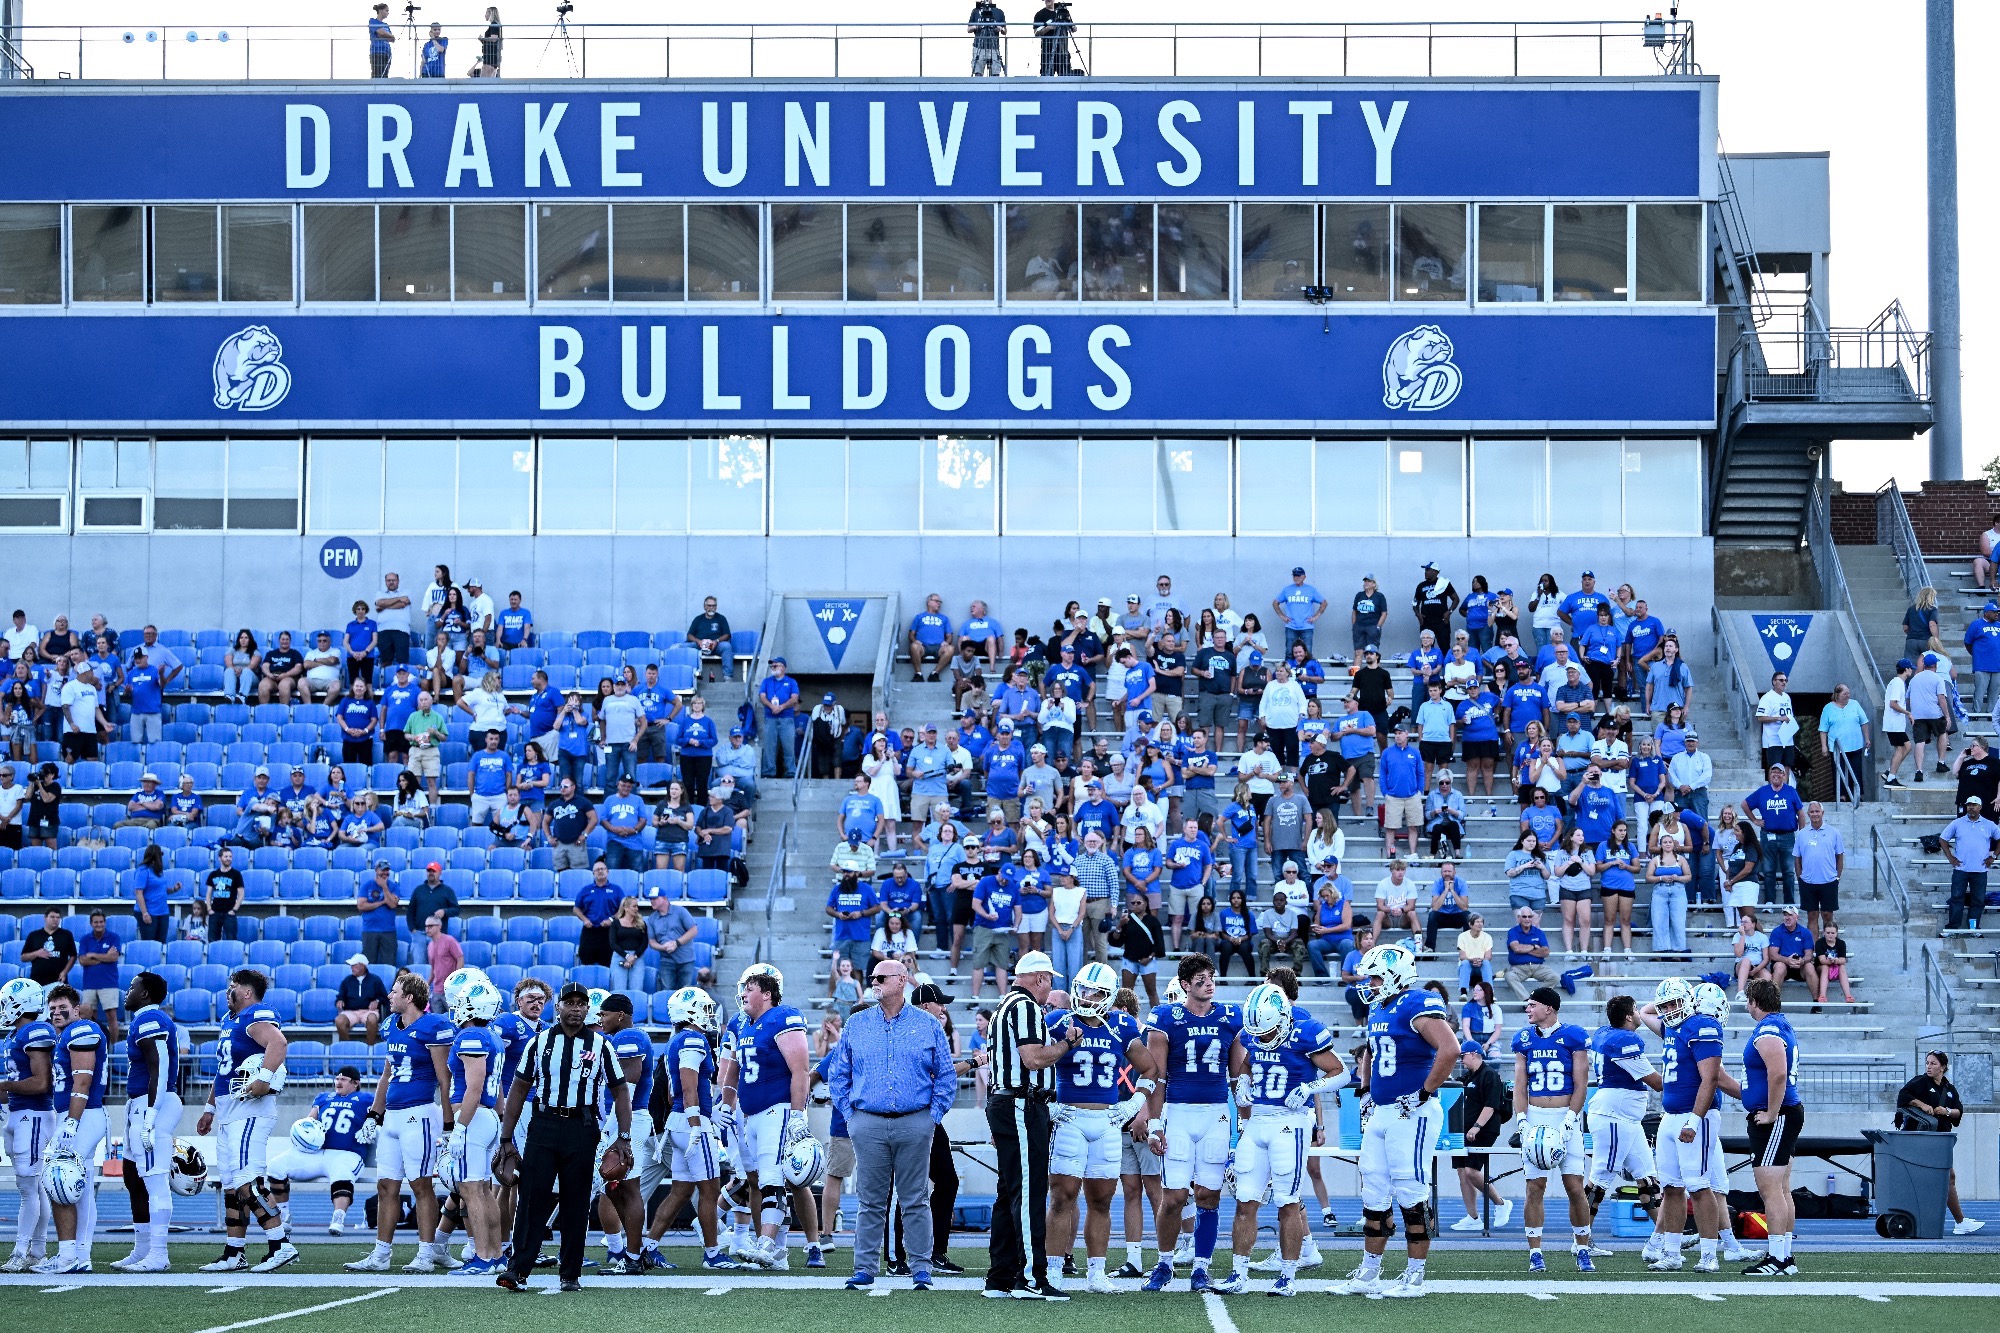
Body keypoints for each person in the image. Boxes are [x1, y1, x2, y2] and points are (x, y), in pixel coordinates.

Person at [1331, 943, 1459, 1298]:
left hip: (1412, 1111)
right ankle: (1369, 1272)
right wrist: (1367, 1091)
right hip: (1384, 1110)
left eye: (1374, 976)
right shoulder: (1378, 1007)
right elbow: (1372, 1050)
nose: (1369, 983)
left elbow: (1450, 1049)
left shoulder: (1417, 1003)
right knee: (1372, 1188)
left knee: (1411, 1191)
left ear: (1392, 974)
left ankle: (1416, 1275)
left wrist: (1424, 1092)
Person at [823, 960, 957, 1293]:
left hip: (915, 1121)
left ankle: (921, 1268)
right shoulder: (857, 1023)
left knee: (915, 1199)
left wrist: (932, 1118)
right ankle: (865, 1267)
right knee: (870, 1200)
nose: (874, 983)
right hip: (867, 1122)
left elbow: (946, 1075)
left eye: (881, 978)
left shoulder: (928, 1025)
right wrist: (852, 1117)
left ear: (902, 981)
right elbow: (838, 1074)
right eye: (872, 978)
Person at [1208, 982, 1350, 1296]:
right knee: (1245, 1200)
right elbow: (1246, 1060)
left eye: (1268, 1032)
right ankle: (1239, 1274)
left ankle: (1287, 1276)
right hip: (1257, 1121)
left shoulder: (1306, 1033)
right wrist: (1243, 1078)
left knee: (1287, 1202)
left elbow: (1342, 1073)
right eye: (1257, 1033)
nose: (1262, 1038)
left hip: (1291, 1123)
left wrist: (1311, 1088)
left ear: (1284, 1018)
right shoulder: (1253, 1032)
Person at [494, 982, 633, 1293]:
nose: (574, 1008)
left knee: (576, 1200)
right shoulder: (539, 1042)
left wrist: (623, 1136)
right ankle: (518, 1269)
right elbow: (518, 1088)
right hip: (543, 1123)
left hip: (581, 1127)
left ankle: (570, 1272)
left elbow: (620, 1090)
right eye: (568, 1002)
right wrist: (506, 1137)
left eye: (580, 1003)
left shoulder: (601, 1045)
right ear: (558, 1007)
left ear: (588, 1008)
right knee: (531, 1198)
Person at [345, 973, 452, 1273]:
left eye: (394, 992)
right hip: (392, 1116)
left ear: (410, 997)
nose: (388, 997)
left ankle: (426, 1254)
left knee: (421, 1185)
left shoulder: (434, 1026)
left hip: (419, 1114)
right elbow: (386, 1075)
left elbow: (445, 1080)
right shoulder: (392, 1025)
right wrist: (374, 1114)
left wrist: (448, 1124)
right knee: (385, 1186)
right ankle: (381, 1254)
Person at [717, 966, 822, 1270]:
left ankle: (768, 1245)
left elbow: (801, 1070)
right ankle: (777, 1253)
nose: (743, 995)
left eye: (749, 989)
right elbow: (733, 1068)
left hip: (778, 1108)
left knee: (773, 1179)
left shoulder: (783, 1017)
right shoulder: (744, 1023)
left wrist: (799, 1112)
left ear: (766, 993)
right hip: (750, 1113)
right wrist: (727, 1103)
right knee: (761, 1181)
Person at [193, 970, 296, 1273]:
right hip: (228, 1110)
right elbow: (224, 1071)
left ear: (248, 992)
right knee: (231, 1186)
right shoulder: (229, 1021)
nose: (228, 992)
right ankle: (234, 1252)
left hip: (250, 1110)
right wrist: (210, 1108)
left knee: (247, 1182)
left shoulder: (255, 1015)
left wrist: (264, 1077)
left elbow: (278, 1043)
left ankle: (281, 1244)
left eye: (233, 987)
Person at [981, 950, 1066, 1298]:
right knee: (1029, 1192)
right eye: (1049, 982)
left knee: (1009, 1192)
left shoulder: (1003, 1005)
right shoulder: (1027, 1006)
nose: (1048, 990)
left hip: (1004, 1100)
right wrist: (1066, 1043)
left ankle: (1000, 1277)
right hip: (1021, 1102)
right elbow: (1032, 1058)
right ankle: (1031, 1278)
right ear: (1041, 978)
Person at [1716, 979, 1804, 1275]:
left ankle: (1778, 1258)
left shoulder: (1768, 1030)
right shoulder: (1779, 1025)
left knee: (1771, 1191)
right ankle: (1785, 1257)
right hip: (1784, 1113)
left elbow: (1777, 1075)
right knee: (1781, 1189)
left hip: (1777, 1115)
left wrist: (1770, 1113)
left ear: (1754, 1001)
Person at [1509, 986, 1597, 1272]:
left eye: (1532, 1004)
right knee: (1535, 1187)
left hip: (1565, 1116)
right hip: (1535, 1117)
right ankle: (1535, 1252)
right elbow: (1519, 1085)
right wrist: (1521, 1119)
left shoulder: (1573, 1035)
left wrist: (1571, 1119)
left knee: (1575, 1187)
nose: (1528, 1009)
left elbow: (1581, 1084)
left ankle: (1583, 1247)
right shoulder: (1523, 1039)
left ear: (1549, 1008)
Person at [1896, 1051, 1983, 1234]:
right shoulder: (1920, 1082)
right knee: (1945, 1177)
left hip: (1941, 1138)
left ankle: (1956, 1222)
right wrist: (1921, 1105)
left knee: (1945, 1178)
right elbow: (1903, 1096)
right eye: (1927, 1063)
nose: (1929, 1066)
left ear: (1943, 1067)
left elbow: (1959, 1111)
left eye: (1933, 1063)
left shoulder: (1949, 1089)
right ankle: (1958, 1222)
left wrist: (1947, 1111)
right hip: (1921, 1138)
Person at [1448, 1041, 1513, 1231]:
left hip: (1482, 1130)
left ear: (1475, 1054)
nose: (1461, 1060)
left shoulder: (1489, 1075)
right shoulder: (1468, 1077)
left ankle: (1501, 1203)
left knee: (1471, 1171)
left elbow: (1490, 1105)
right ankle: (1473, 1217)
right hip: (1464, 1130)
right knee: (1462, 1171)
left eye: (1463, 1055)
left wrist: (1476, 1127)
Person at [1938, 794, 1999, 932]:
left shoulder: (1988, 824)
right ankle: (1953, 928)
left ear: (1980, 807)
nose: (1970, 808)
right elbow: (1943, 839)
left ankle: (1973, 929)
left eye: (1974, 805)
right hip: (1961, 869)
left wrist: (1994, 856)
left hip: (1980, 870)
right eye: (1968, 805)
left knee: (1978, 901)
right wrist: (1950, 858)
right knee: (1956, 899)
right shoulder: (1957, 823)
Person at [686, 595, 734, 683]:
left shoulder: (721, 618)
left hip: (716, 645)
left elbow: (727, 635)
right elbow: (689, 635)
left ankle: (728, 677)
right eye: (709, 605)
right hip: (699, 645)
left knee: (727, 646)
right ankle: (687, 677)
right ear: (704, 607)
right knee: (682, 647)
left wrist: (716, 641)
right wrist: (698, 641)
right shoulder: (698, 619)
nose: (711, 608)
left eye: (713, 606)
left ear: (716, 607)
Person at [1031, 0, 1073, 76]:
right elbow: (1036, 33)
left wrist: (1070, 24)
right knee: (1047, 74)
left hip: (1062, 49)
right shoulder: (1040, 14)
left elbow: (1073, 29)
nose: (1048, 1)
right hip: (1047, 49)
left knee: (1065, 74)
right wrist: (1049, 28)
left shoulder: (1063, 13)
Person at [967, 0, 1007, 74]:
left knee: (995, 73)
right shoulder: (976, 11)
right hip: (979, 47)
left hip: (994, 47)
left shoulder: (999, 12)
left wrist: (1000, 28)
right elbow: (969, 29)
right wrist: (977, 27)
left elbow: (1005, 31)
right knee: (978, 72)